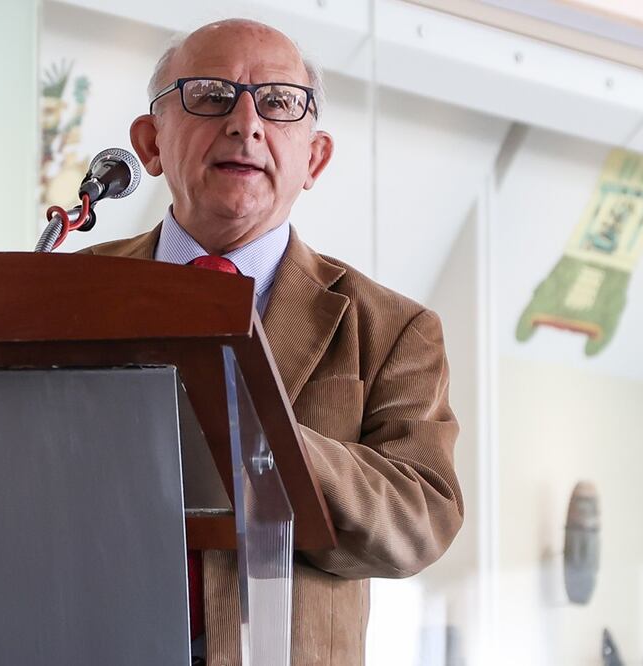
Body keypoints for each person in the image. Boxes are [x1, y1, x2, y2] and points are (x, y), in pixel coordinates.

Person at [82, 19, 463, 666]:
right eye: (209, 95)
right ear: (149, 143)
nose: (245, 123)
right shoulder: (71, 294)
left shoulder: (391, 328)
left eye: (279, 103)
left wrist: (259, 434)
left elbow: (418, 519)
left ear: (313, 157)